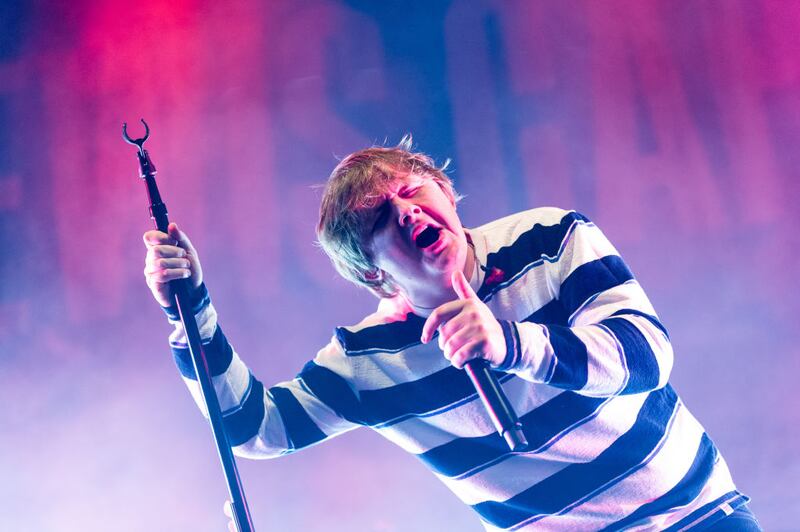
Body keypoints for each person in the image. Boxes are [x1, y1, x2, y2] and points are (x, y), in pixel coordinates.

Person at [143, 138, 760, 530]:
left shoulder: (548, 239)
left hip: (696, 515)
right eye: (380, 217)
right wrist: (191, 312)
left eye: (412, 190)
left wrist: (511, 343)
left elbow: (647, 355)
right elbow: (256, 429)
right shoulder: (369, 361)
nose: (406, 210)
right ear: (371, 272)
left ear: (447, 194)